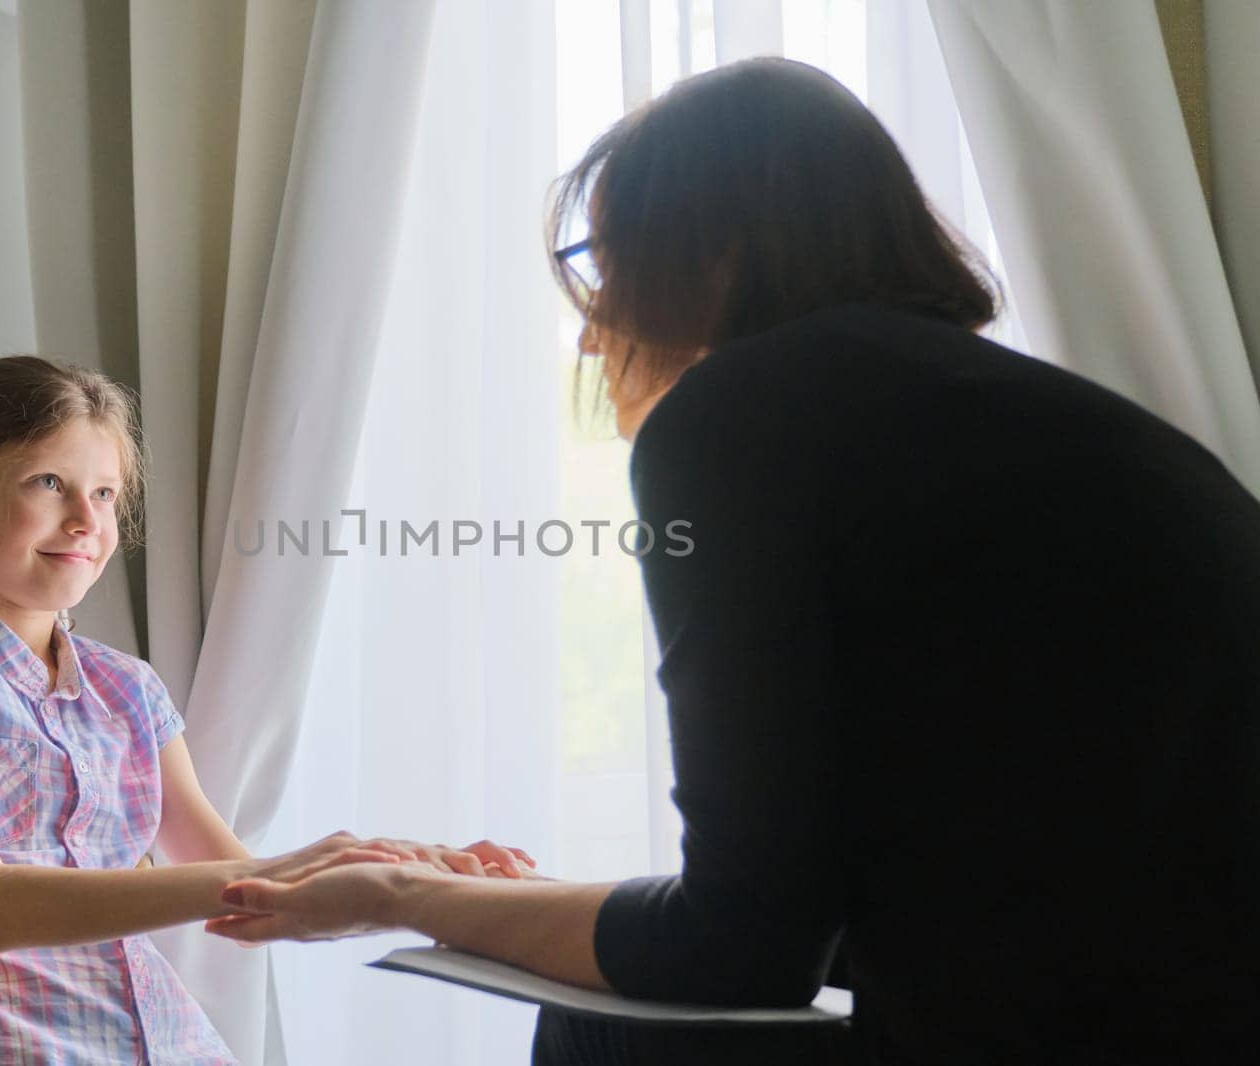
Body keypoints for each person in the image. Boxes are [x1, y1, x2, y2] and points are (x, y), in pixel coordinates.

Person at [202, 58, 1260, 1065]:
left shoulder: (740, 414)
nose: (590, 330)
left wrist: (403, 898)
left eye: (606, 265)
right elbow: (864, 900)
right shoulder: (1050, 423)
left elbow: (736, 942)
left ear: (716, 252)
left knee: (605, 1029)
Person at [0, 356, 532, 1063]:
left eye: (103, 494)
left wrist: (416, 878)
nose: (84, 519)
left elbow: (249, 892)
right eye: (49, 483)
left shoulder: (128, 690)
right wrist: (308, 870)